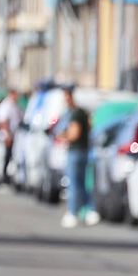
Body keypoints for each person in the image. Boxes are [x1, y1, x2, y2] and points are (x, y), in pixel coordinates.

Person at [58, 87, 96, 228]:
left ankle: (73, 212)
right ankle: (89, 210)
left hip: (75, 151)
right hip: (84, 151)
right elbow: (89, 128)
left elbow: (75, 134)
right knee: (81, 183)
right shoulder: (83, 113)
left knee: (73, 183)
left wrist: (63, 135)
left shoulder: (76, 114)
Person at [0, 88, 20, 188]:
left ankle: (6, 179)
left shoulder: (13, 105)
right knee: (4, 159)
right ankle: (1, 180)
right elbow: (3, 121)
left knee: (8, 158)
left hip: (12, 136)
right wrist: (7, 135)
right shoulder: (6, 105)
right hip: (6, 136)